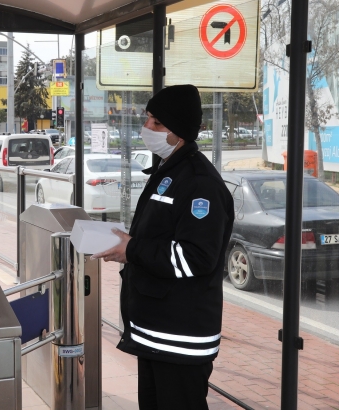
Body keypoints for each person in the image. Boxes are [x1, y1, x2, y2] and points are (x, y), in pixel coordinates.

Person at [93, 85, 234, 409]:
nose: (147, 128)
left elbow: (196, 257)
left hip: (179, 340)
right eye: (148, 119)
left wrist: (132, 250)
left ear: (178, 132)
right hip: (155, 334)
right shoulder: (168, 170)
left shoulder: (200, 183)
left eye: (156, 122)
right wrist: (127, 245)